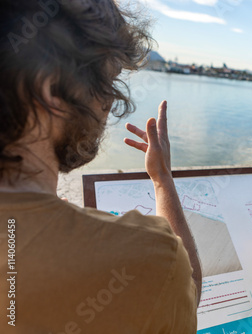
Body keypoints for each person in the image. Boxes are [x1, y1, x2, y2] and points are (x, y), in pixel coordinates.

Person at [0, 0, 201, 333]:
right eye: (107, 81)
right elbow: (186, 291)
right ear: (52, 90)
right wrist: (163, 180)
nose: (110, 103)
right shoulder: (148, 258)